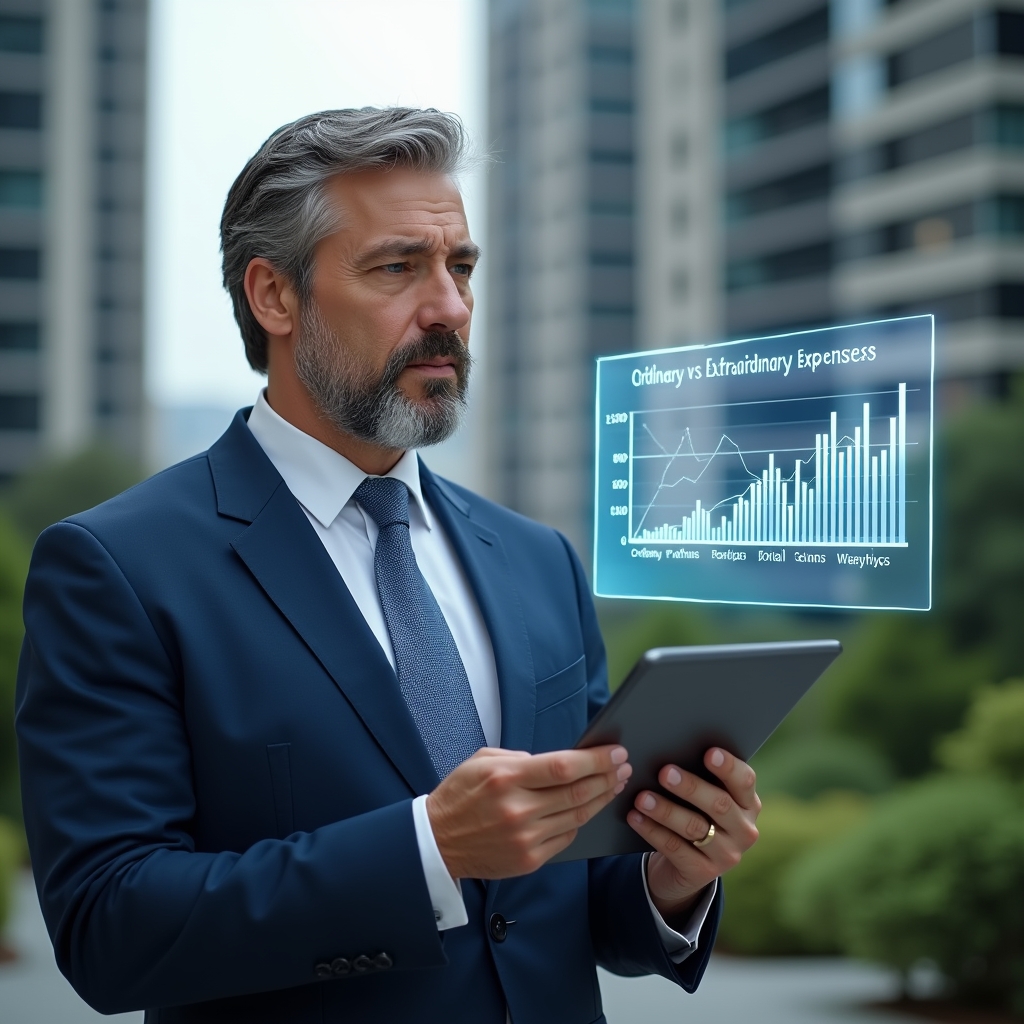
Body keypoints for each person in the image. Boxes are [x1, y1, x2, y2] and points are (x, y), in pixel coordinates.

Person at [15, 108, 760, 1024]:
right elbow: (109, 927)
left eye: (461, 267)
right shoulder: (120, 569)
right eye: (398, 268)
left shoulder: (540, 561)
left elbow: (559, 900)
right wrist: (427, 850)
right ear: (274, 296)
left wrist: (670, 875)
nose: (450, 308)